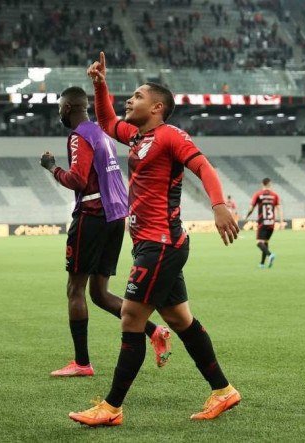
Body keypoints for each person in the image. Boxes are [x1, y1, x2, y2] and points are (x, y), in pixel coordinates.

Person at [69, 52, 240, 427]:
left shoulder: (170, 136)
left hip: (161, 244)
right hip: (153, 243)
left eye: (138, 96)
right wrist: (100, 84)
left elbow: (203, 166)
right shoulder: (139, 136)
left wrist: (218, 205)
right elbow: (107, 120)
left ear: (158, 107)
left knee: (131, 316)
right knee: (180, 319)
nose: (130, 100)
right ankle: (224, 391)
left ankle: (111, 407)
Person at [39, 86, 172, 377]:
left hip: (92, 214)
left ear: (68, 108)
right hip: (115, 215)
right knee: (99, 293)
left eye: (61, 107)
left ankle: (82, 363)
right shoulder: (102, 133)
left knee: (75, 289)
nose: (60, 112)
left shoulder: (79, 135)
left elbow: (76, 178)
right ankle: (155, 331)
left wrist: (51, 167)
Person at [244, 178, 282, 268]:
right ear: (270, 184)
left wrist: (246, 216)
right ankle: (262, 264)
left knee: (259, 242)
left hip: (262, 223)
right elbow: (279, 209)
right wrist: (281, 221)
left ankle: (270, 254)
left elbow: (251, 208)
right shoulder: (275, 195)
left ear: (262, 184)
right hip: (271, 223)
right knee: (265, 242)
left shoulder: (258, 194)